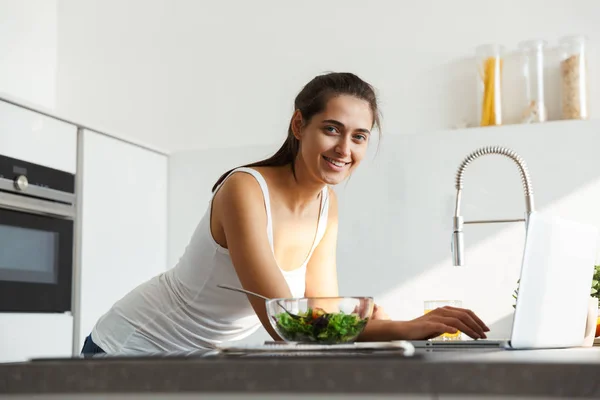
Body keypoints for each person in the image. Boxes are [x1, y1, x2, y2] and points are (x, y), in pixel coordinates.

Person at [82, 72, 489, 356]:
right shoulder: (245, 190)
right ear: (299, 125)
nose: (344, 150)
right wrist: (402, 328)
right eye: (331, 129)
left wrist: (400, 323)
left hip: (197, 359)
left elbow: (323, 314)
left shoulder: (326, 205)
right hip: (128, 348)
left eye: (359, 136)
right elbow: (285, 324)